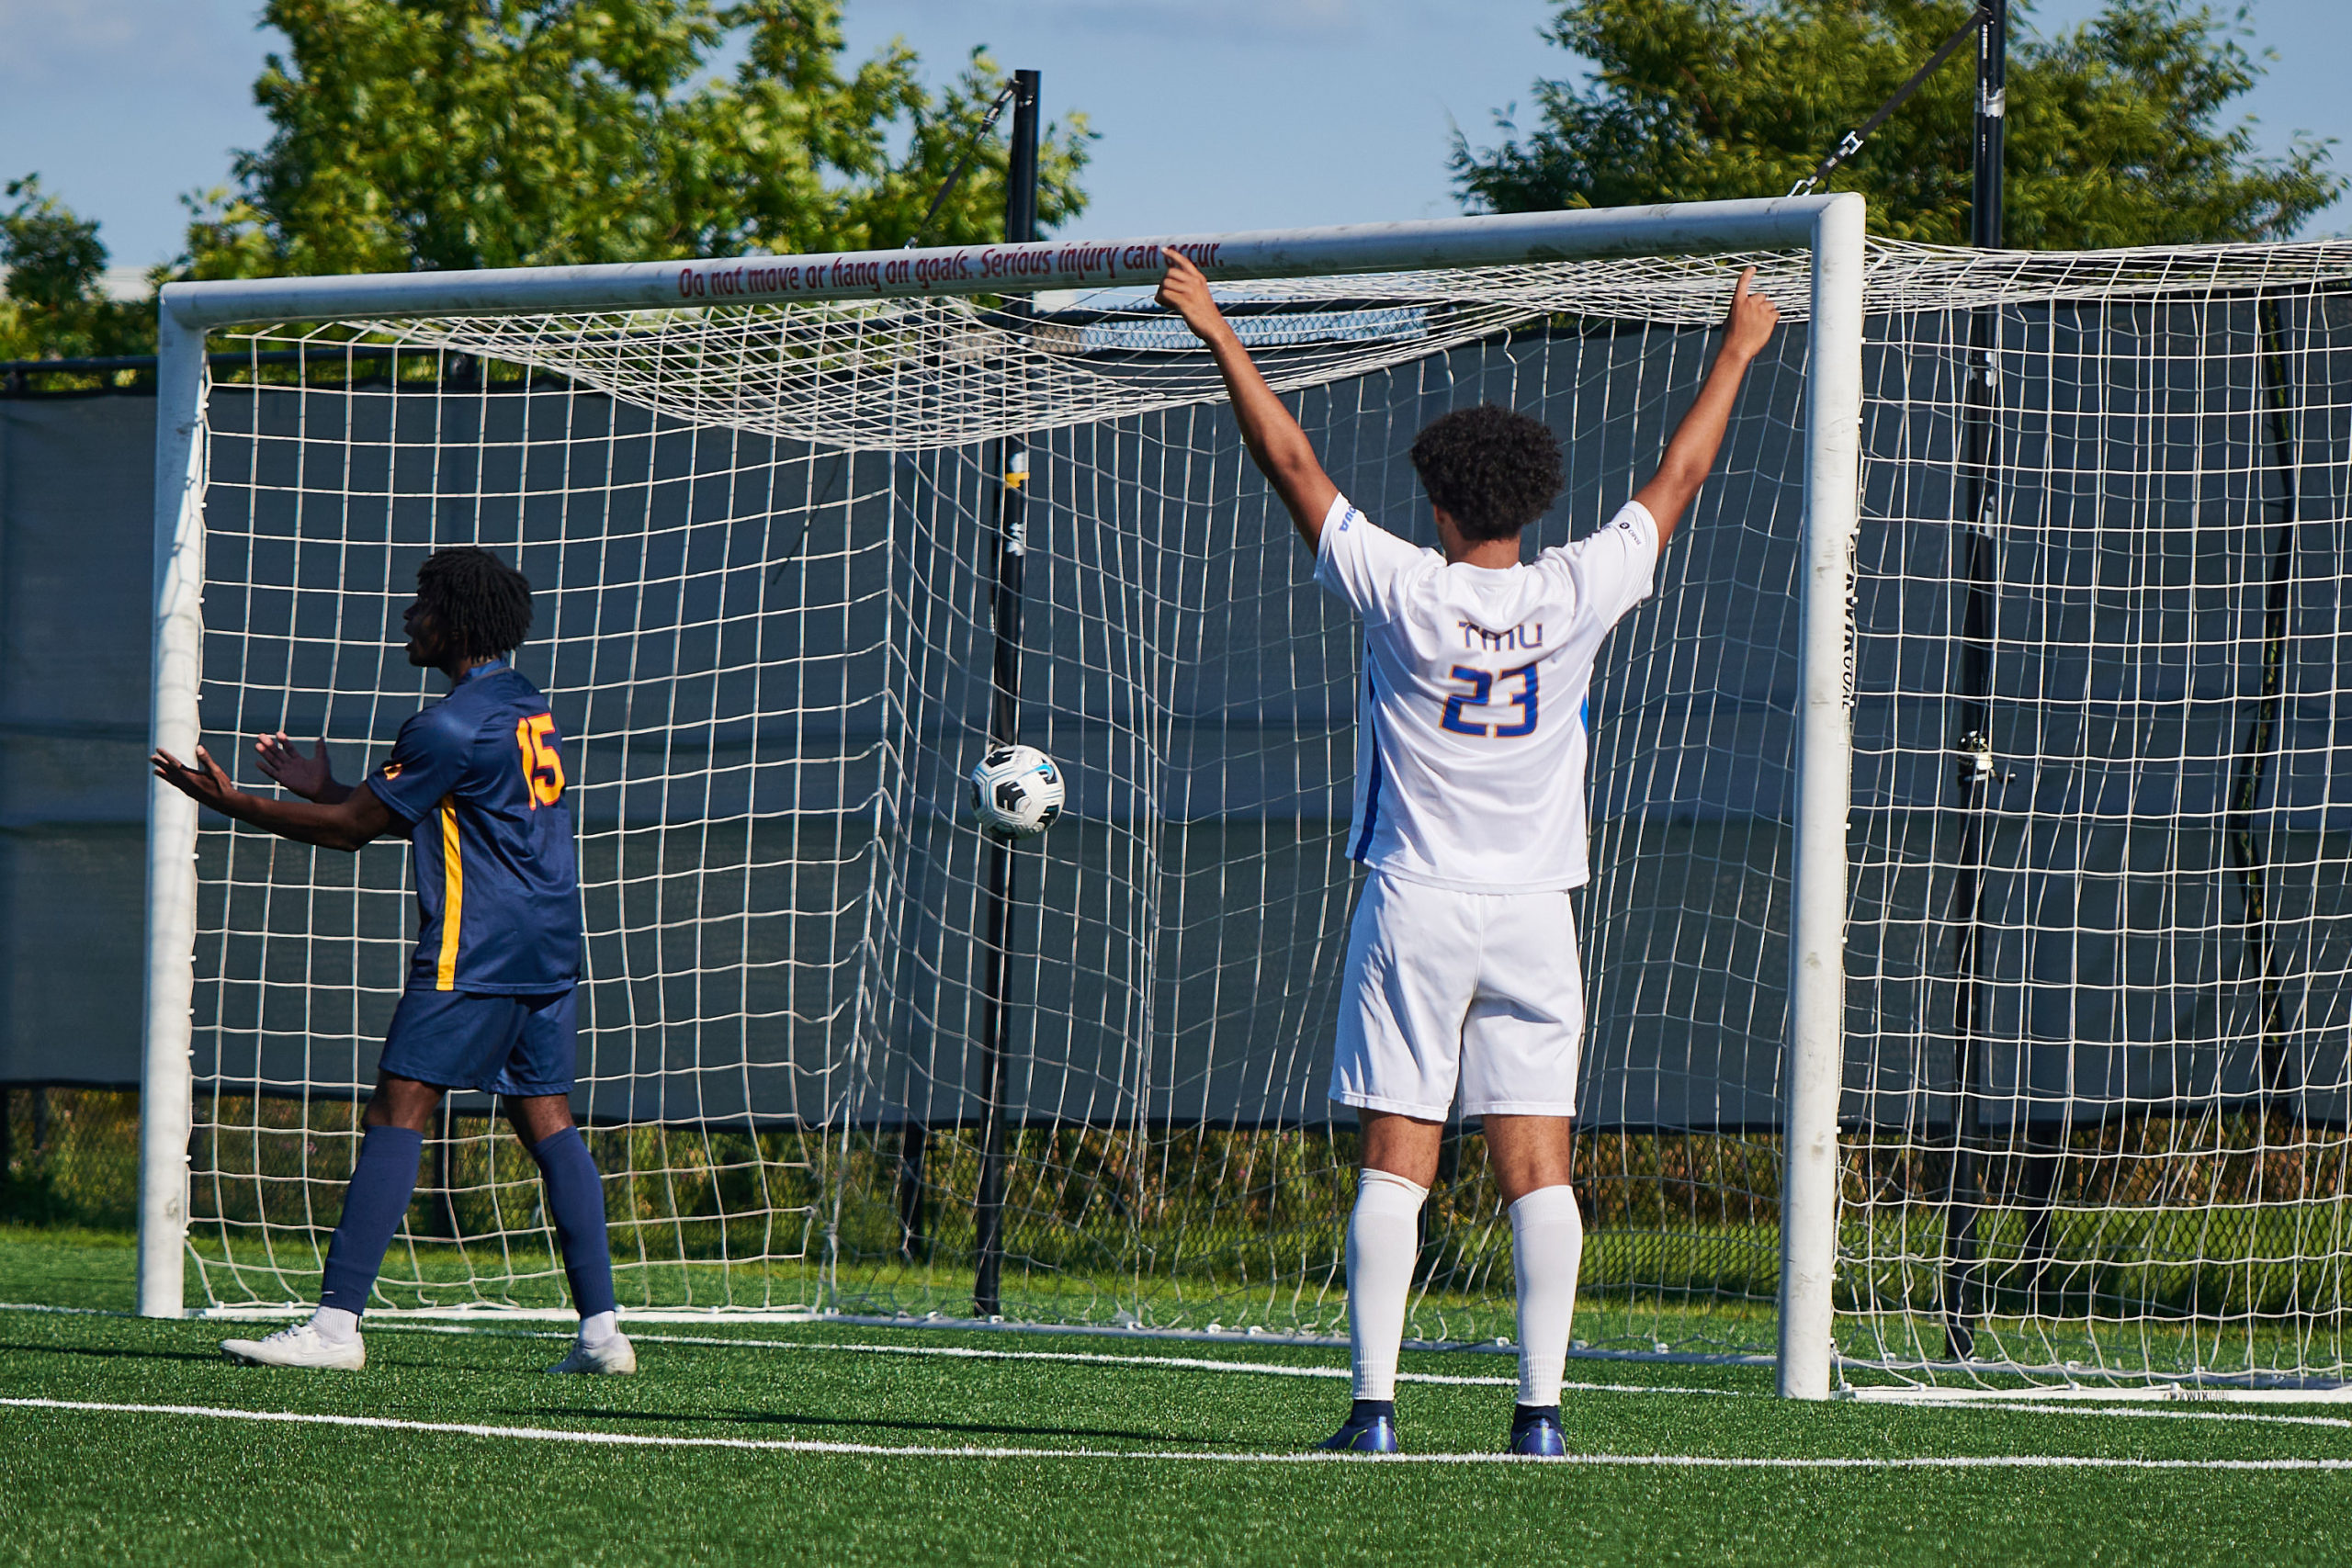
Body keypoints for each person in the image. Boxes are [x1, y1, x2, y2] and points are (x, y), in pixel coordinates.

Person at [1154, 249, 1779, 1454]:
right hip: (1538, 909)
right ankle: (1540, 1414)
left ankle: (1374, 1411)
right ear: (1533, 503)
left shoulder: (1404, 589)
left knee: (1401, 1156)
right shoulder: (1582, 586)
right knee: (1537, 1164)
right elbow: (1682, 470)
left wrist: (1214, 325)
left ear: (1438, 506)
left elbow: (1291, 461)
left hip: (1418, 904)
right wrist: (1741, 344)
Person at [152, 546, 633, 1375]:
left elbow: (353, 831)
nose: (410, 619)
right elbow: (395, 806)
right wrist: (321, 785)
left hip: (473, 947)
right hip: (548, 944)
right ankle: (602, 1333)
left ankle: (336, 1328)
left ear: (456, 618)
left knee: (396, 1108)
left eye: (423, 606)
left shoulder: (445, 723)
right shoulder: (523, 703)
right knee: (547, 1121)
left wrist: (237, 803)